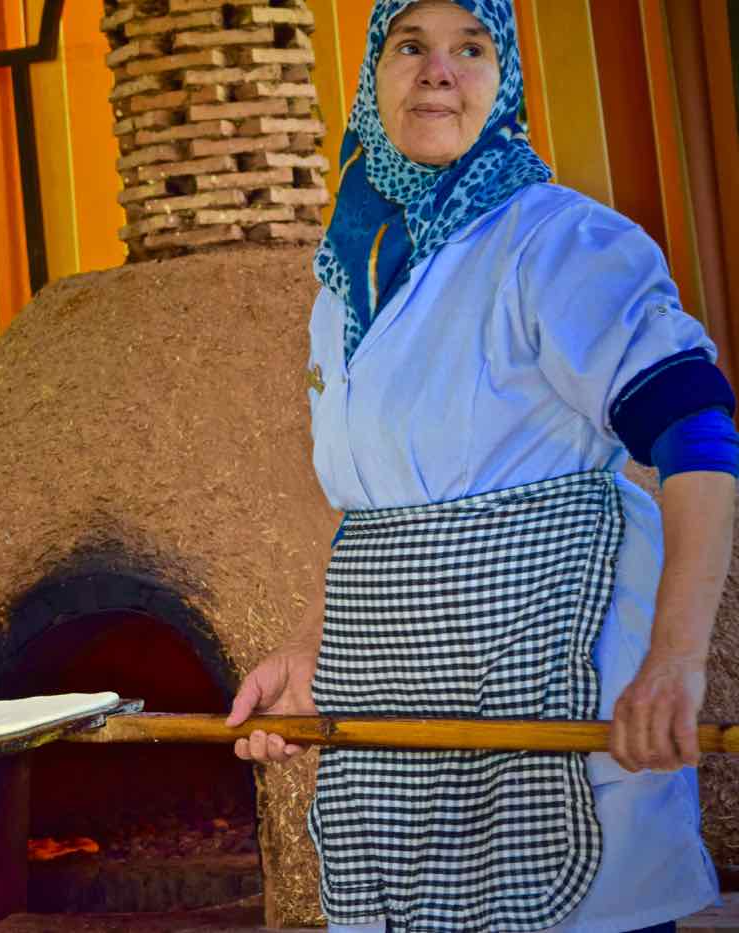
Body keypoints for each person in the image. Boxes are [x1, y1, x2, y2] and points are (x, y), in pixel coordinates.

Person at [224, 1, 739, 931]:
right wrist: (309, 650)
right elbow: (378, 502)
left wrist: (676, 658)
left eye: (473, 49)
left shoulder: (558, 243)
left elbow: (698, 432)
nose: (439, 72)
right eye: (410, 46)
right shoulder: (344, 278)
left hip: (549, 689)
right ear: (370, 79)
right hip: (391, 707)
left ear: (503, 84)